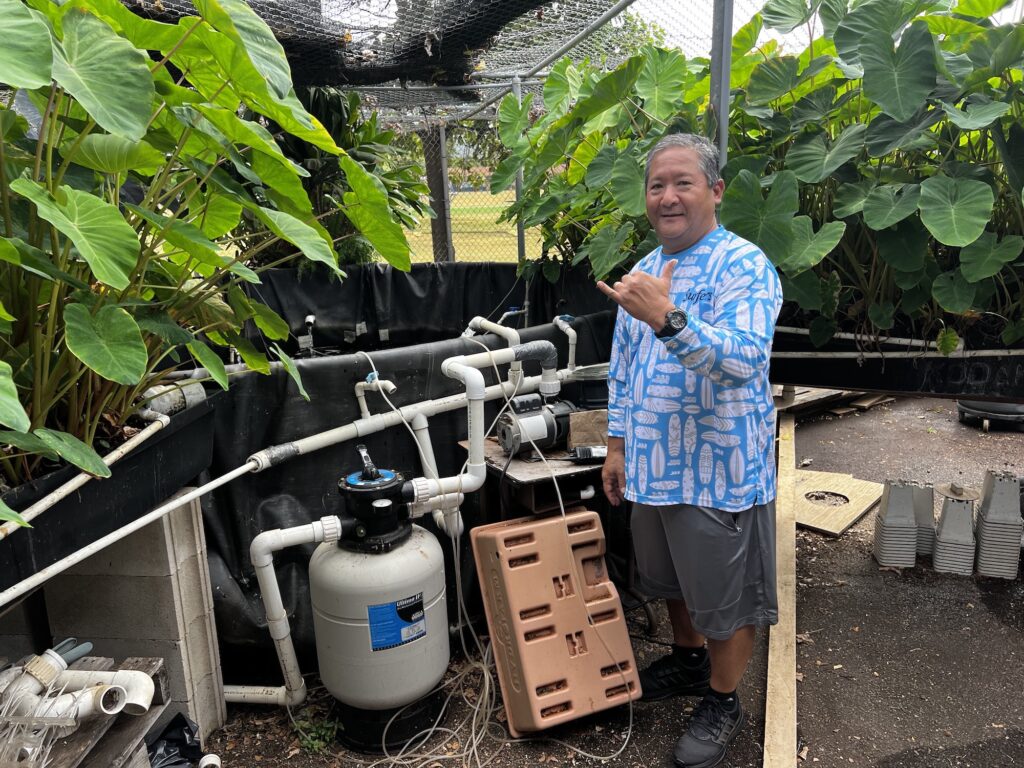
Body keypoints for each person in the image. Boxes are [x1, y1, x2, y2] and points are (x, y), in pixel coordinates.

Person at [597, 133, 783, 768]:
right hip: (654, 465)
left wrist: (669, 319)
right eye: (657, 185)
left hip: (719, 471)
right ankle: (688, 661)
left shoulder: (745, 265)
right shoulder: (644, 271)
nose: (668, 196)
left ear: (715, 191)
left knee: (726, 598)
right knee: (671, 576)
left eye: (683, 183)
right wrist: (617, 444)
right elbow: (622, 370)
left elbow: (742, 360)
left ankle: (724, 700)